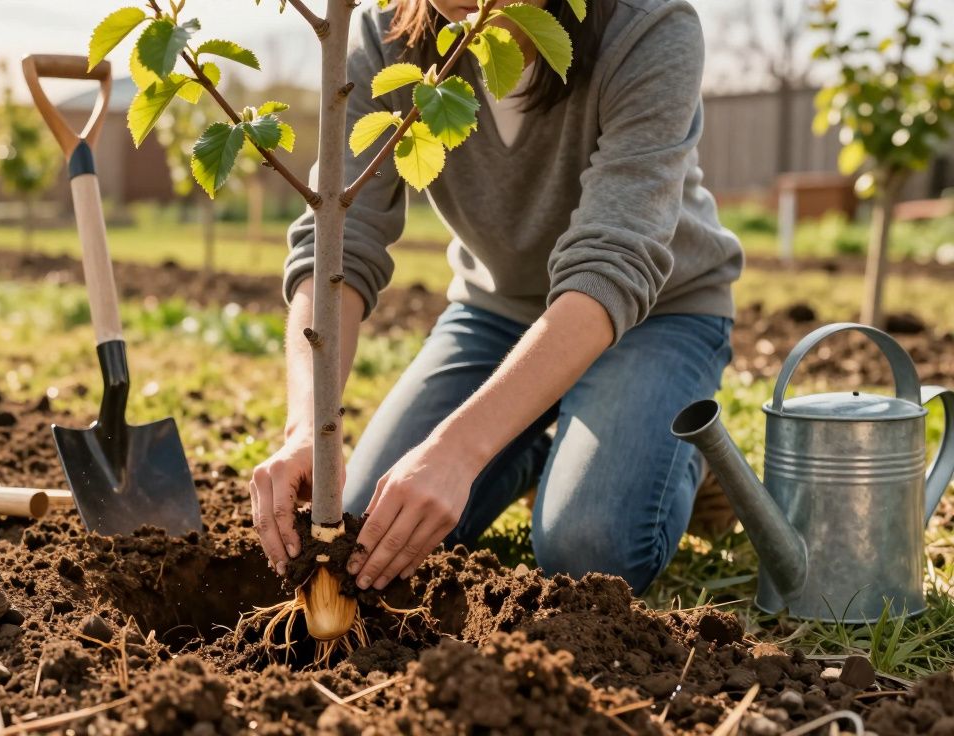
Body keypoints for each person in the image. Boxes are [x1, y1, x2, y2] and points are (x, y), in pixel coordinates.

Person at [249, 0, 741, 596]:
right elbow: (339, 241)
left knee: (589, 547)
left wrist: (459, 450)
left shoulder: (647, 25)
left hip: (658, 313)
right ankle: (530, 443)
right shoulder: (385, 36)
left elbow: (613, 265)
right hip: (497, 311)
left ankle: (688, 457)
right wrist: (306, 426)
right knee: (364, 526)